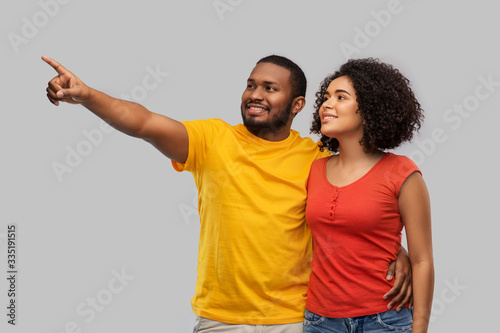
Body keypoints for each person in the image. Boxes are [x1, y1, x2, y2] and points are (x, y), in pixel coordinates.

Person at [43, 55, 413, 333]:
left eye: (270, 88)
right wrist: (88, 95)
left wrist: (399, 252)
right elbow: (142, 121)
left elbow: (350, 215)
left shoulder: (315, 159)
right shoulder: (212, 140)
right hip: (219, 319)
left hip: (294, 319)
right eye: (251, 85)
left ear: (297, 104)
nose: (255, 95)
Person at [304, 58, 434, 333]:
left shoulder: (402, 173)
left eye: (341, 97)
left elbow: (422, 261)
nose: (327, 104)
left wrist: (420, 328)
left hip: (384, 320)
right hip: (320, 322)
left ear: (370, 108)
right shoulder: (314, 169)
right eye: (326, 97)